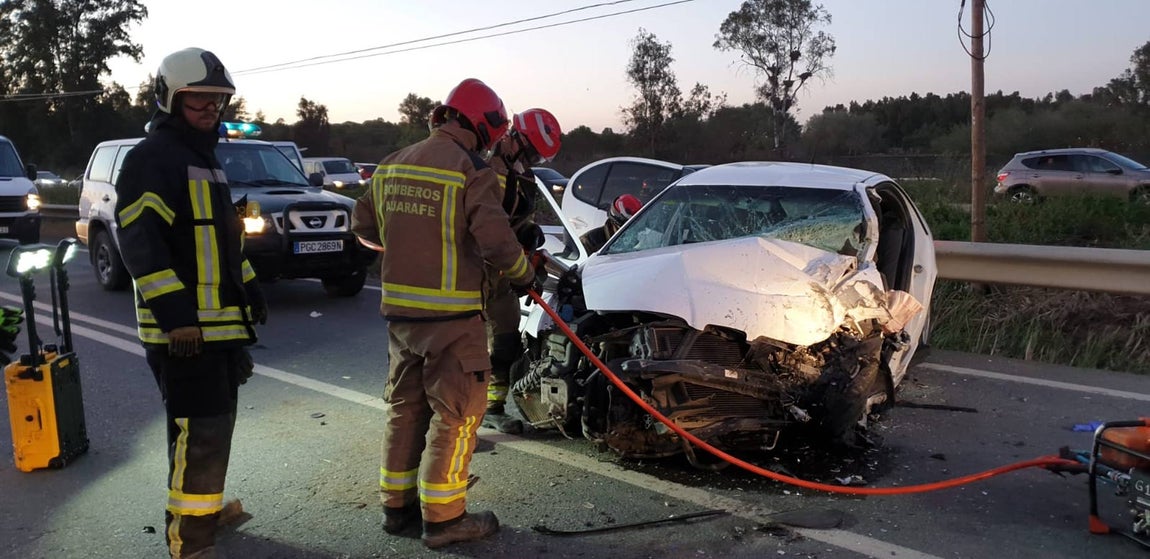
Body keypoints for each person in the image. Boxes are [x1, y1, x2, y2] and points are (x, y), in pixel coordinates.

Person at [350, 78, 543, 549]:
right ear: (484, 124)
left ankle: (396, 510)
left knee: (405, 411)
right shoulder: (469, 169)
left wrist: (407, 248)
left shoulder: (391, 165)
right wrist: (524, 276)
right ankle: (444, 519)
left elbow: (363, 228)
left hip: (401, 319)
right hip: (454, 319)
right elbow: (498, 242)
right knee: (455, 417)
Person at [114, 47, 267, 559]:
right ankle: (190, 542)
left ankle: (200, 511)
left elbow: (224, 243)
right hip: (184, 333)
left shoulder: (205, 160)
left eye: (217, 102)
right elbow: (141, 244)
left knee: (205, 432)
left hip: (218, 327)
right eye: (198, 101)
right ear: (169, 98)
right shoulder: (150, 160)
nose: (210, 110)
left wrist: (249, 287)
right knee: (200, 435)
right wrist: (177, 318)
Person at [482, 108, 562, 431]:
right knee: (473, 348)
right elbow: (491, 230)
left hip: (503, 269)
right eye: (532, 153)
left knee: (506, 343)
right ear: (517, 137)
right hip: (479, 270)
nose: (533, 160)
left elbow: (515, 219)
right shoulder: (489, 167)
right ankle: (463, 416)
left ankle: (492, 406)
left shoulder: (521, 170)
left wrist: (529, 232)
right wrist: (522, 272)